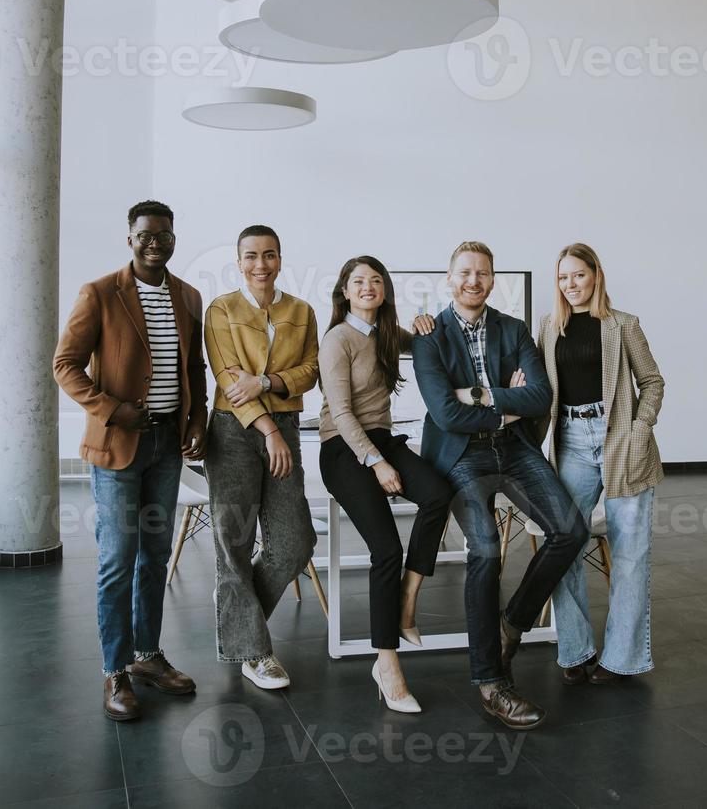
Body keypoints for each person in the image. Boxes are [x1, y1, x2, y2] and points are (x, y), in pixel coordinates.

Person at [411, 240, 588, 731]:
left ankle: (511, 624)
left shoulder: (513, 329)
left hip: (512, 449)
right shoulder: (429, 336)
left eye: (483, 273)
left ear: (493, 279)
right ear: (450, 278)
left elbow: (540, 396)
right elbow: (444, 412)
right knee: (486, 550)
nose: (474, 281)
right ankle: (491, 682)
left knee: (570, 531)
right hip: (461, 455)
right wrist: (504, 400)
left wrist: (479, 394)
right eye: (465, 272)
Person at [53, 200, 207, 721]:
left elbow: (195, 368)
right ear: (130, 238)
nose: (155, 242)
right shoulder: (99, 293)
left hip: (167, 448)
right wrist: (112, 409)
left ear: (173, 239)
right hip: (118, 448)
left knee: (155, 556)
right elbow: (65, 365)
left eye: (164, 234)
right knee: (118, 558)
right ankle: (114, 670)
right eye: (145, 235)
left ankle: (146, 657)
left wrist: (197, 420)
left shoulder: (188, 296)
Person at [317, 256, 451, 713]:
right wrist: (376, 464)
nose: (368, 287)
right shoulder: (338, 339)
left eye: (376, 280)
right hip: (343, 448)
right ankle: (387, 661)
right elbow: (340, 413)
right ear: (345, 291)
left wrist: (427, 321)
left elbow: (432, 343)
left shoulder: (389, 335)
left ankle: (408, 600)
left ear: (385, 291)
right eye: (358, 281)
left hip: (382, 440)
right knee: (387, 550)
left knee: (438, 493)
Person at [537, 243, 665, 685]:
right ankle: (575, 650)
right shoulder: (549, 329)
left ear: (596, 275)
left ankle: (621, 660)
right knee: (564, 543)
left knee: (630, 555)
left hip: (619, 440)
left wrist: (639, 428)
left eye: (578, 275)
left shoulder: (623, 325)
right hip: (570, 440)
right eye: (562, 277)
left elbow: (652, 381)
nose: (570, 285)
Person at [202, 225, 319, 690]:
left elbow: (309, 370)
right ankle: (254, 652)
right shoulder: (221, 309)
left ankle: (234, 604)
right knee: (234, 539)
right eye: (251, 256)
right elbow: (229, 375)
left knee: (295, 541)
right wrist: (268, 429)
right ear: (239, 261)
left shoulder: (301, 311)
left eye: (269, 255)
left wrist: (268, 384)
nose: (260, 264)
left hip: (285, 425)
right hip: (233, 430)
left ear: (280, 259)